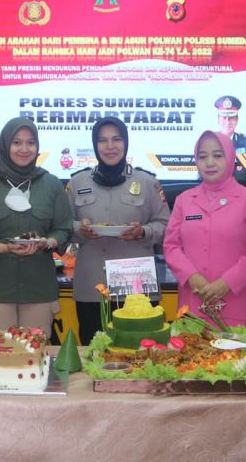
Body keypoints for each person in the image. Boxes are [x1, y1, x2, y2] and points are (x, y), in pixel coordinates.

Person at [0, 117, 72, 339]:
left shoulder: (51, 184)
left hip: (39, 290)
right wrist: (6, 248)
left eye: (30, 142)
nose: (24, 149)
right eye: (17, 142)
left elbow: (63, 229)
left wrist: (47, 242)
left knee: (34, 356)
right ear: (5, 145)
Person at [67, 117, 170, 345]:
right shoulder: (77, 182)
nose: (110, 146)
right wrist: (80, 229)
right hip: (92, 287)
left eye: (116, 139)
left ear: (126, 142)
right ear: (95, 145)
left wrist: (143, 232)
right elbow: (62, 225)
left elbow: (166, 226)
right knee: (94, 350)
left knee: (141, 351)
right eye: (102, 140)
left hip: (137, 287)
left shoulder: (148, 182)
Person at [163, 130, 246, 338]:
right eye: (203, 157)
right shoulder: (184, 200)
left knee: (237, 359)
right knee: (193, 358)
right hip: (194, 303)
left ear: (231, 158)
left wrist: (226, 283)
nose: (210, 162)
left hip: (237, 305)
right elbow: (171, 246)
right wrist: (191, 277)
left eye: (218, 155)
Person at [214, 95, 246, 188]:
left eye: (231, 118)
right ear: (218, 120)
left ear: (237, 120)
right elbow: (201, 178)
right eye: (224, 118)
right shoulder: (209, 143)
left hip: (240, 193)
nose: (227, 122)